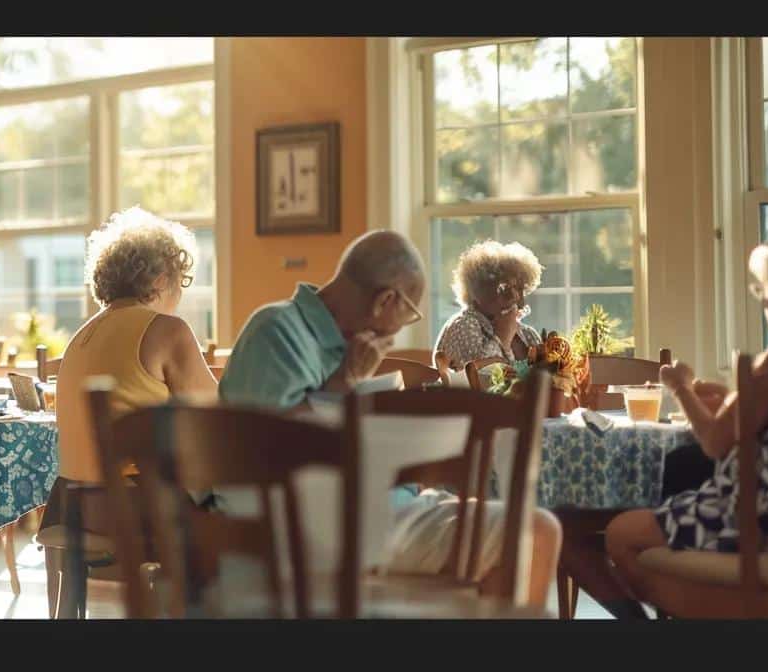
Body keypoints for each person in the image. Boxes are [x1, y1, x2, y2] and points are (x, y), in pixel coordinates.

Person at [218, 229, 562, 605]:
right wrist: (345, 385)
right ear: (386, 300)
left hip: (368, 510)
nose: (395, 336)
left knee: (513, 536)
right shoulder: (278, 331)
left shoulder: (330, 341)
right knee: (536, 532)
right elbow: (276, 455)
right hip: (331, 528)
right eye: (408, 315)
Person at [593, 227, 768, 618]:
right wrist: (731, 399)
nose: (763, 298)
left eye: (764, 288)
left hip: (755, 518)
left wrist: (680, 388)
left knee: (619, 535)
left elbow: (716, 443)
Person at [49, 206, 216, 529]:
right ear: (162, 278)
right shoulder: (168, 330)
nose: (179, 296)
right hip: (139, 510)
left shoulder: (80, 337)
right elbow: (219, 419)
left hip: (73, 510)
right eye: (180, 284)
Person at [435, 241, 545, 370]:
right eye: (505, 289)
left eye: (520, 288)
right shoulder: (463, 326)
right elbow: (477, 381)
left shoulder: (527, 334)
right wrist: (502, 337)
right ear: (477, 292)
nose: (516, 297)